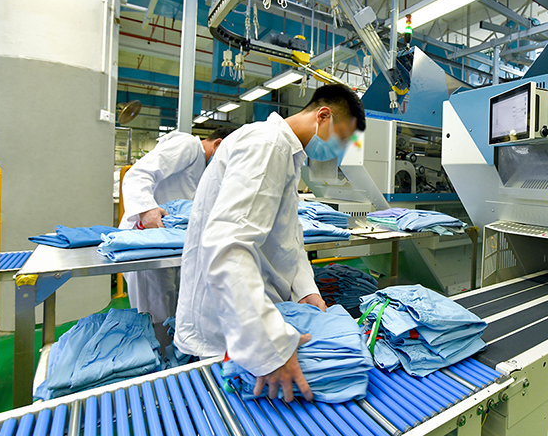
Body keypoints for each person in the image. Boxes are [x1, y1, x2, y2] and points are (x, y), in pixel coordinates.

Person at [175, 84, 365, 402]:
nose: (339, 149)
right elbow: (229, 247)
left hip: (249, 313)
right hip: (228, 326)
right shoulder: (266, 146)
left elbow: (289, 237)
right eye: (342, 138)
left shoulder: (286, 155)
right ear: (323, 115)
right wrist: (269, 346)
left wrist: (307, 290)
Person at [119, 127, 234, 347]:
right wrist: (147, 209)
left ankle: (168, 358)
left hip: (170, 244)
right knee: (154, 312)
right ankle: (154, 367)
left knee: (170, 308)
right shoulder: (187, 146)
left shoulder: (204, 169)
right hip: (149, 240)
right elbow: (138, 173)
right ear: (218, 145)